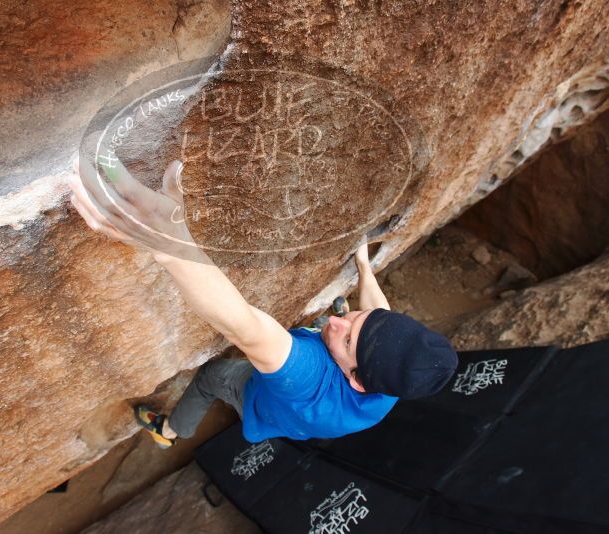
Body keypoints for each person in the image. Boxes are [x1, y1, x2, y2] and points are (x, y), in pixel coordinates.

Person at [68, 157, 458, 448]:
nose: (336, 323)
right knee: (351, 327)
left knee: (213, 377)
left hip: (267, 404)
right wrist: (361, 262)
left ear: (355, 380)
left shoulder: (307, 377)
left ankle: (169, 431)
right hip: (308, 420)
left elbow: (244, 326)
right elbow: (381, 315)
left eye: (346, 339)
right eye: (356, 319)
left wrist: (171, 247)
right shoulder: (399, 371)